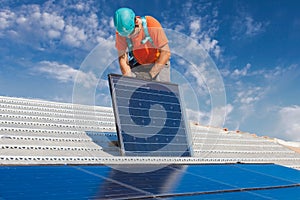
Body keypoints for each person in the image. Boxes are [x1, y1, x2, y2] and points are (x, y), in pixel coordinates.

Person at [113, 7, 171, 82]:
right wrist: (128, 80)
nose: (128, 37)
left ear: (136, 21)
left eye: (131, 33)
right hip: (140, 63)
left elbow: (166, 52)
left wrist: (150, 75)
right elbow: (122, 58)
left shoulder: (151, 23)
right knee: (137, 89)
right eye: (126, 35)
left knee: (162, 90)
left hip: (159, 60)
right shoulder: (121, 32)